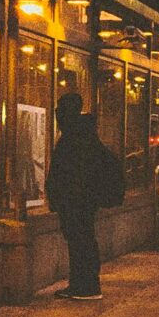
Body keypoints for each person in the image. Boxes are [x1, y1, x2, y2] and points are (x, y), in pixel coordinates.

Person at [45, 91, 124, 299]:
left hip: (76, 201)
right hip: (81, 200)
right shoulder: (84, 134)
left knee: (80, 241)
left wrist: (62, 197)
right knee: (83, 240)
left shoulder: (75, 138)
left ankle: (85, 286)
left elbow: (71, 172)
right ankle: (83, 284)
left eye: (60, 109)